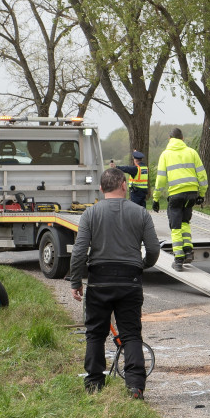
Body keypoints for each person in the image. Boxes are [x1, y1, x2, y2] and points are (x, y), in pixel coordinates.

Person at [68, 167, 160, 398]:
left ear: (101, 188)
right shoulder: (140, 213)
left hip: (99, 281)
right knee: (131, 334)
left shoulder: (90, 214)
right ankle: (135, 385)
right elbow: (153, 249)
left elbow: (79, 251)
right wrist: (143, 265)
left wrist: (76, 281)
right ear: (123, 185)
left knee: (95, 334)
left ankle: (94, 383)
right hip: (130, 280)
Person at [152, 129, 208, 270]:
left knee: (175, 226)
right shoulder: (192, 152)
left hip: (176, 195)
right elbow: (202, 175)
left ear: (169, 138)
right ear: (182, 138)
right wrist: (201, 194)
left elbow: (160, 180)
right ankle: (188, 250)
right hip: (191, 194)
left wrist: (156, 198)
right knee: (185, 222)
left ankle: (178, 259)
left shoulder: (165, 155)